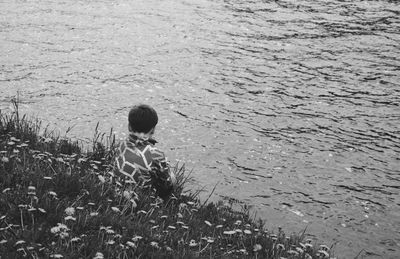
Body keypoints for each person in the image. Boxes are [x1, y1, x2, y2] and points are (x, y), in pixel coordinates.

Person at [115, 104, 176, 199]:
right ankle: (165, 205)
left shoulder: (119, 145)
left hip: (114, 193)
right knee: (171, 177)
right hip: (139, 201)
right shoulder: (155, 154)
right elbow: (166, 184)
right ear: (153, 130)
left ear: (129, 126)